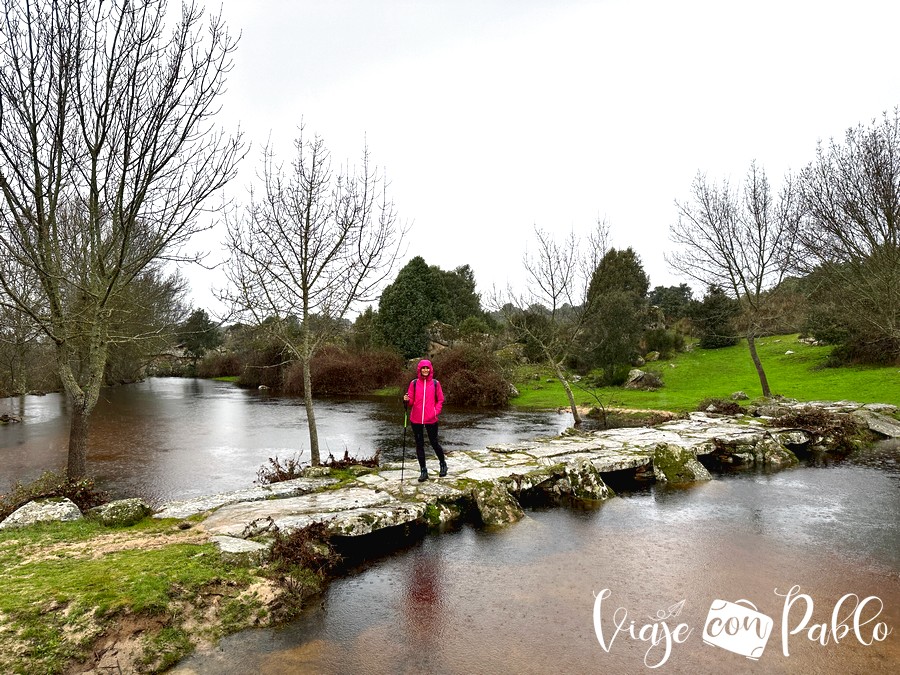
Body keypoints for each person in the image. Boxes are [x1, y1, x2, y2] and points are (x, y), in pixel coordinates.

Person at [403, 359, 447, 482]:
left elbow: (441, 400)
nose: (425, 370)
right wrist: (406, 400)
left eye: (427, 368)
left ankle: (443, 464)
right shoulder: (414, 383)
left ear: (430, 369)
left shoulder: (435, 383)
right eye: (423, 368)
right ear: (420, 370)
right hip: (416, 419)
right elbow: (411, 402)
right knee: (419, 445)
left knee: (434, 443)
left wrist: (435, 412)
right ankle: (423, 470)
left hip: (431, 419)